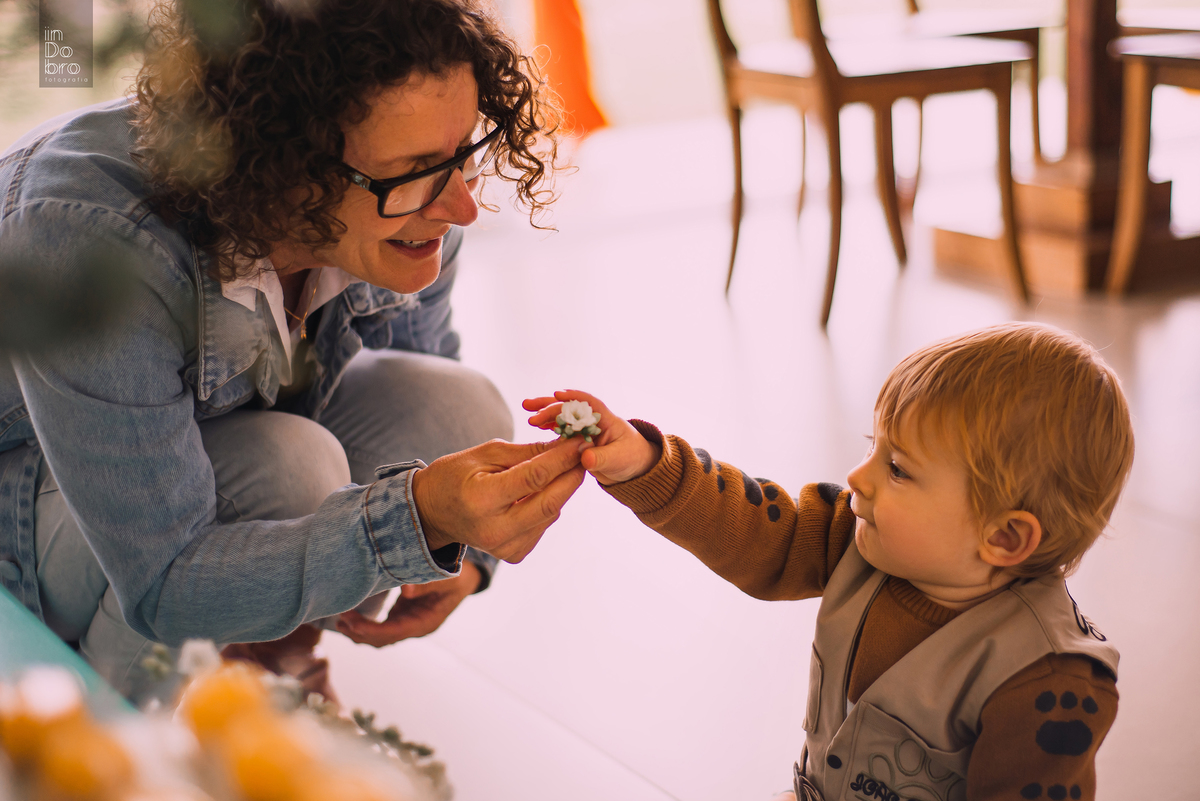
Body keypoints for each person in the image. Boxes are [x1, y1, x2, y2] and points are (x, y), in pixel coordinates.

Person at [0, 0, 587, 703]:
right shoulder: (93, 238)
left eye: (462, 151)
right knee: (290, 466)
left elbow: (434, 403)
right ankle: (119, 742)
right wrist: (416, 520)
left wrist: (465, 547)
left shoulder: (412, 198)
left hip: (157, 482)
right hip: (31, 508)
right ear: (285, 167)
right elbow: (162, 581)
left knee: (455, 409)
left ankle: (264, 669)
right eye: (419, 170)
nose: (461, 206)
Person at [524, 323, 1133, 801]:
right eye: (877, 448)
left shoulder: (1050, 682)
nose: (857, 476)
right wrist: (646, 464)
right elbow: (760, 533)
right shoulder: (859, 540)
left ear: (1003, 537)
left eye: (898, 469)